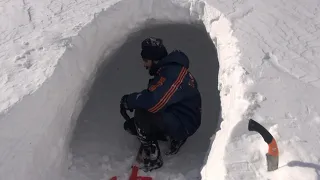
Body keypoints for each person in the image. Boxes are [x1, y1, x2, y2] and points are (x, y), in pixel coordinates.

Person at [120, 37, 202, 172]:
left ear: (154, 60)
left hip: (185, 122)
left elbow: (154, 101)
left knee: (143, 112)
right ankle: (169, 135)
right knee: (132, 126)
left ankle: (154, 157)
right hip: (176, 115)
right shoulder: (168, 71)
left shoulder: (172, 74)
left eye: (146, 61)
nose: (144, 65)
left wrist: (129, 100)